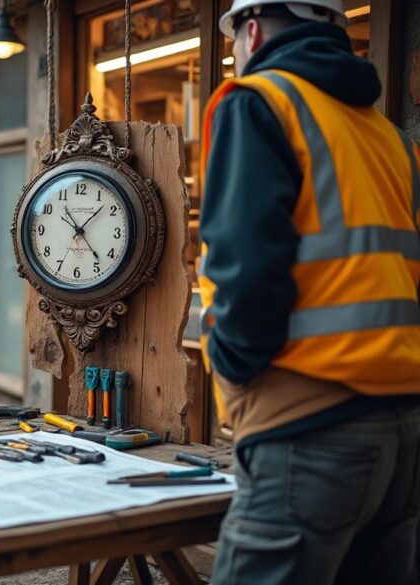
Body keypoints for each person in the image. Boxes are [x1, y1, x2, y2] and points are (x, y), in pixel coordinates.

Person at [198, 0, 420, 582]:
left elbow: (244, 265)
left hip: (308, 430)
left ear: (250, 31)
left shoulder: (259, 103)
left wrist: (232, 368)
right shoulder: (392, 140)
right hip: (402, 436)